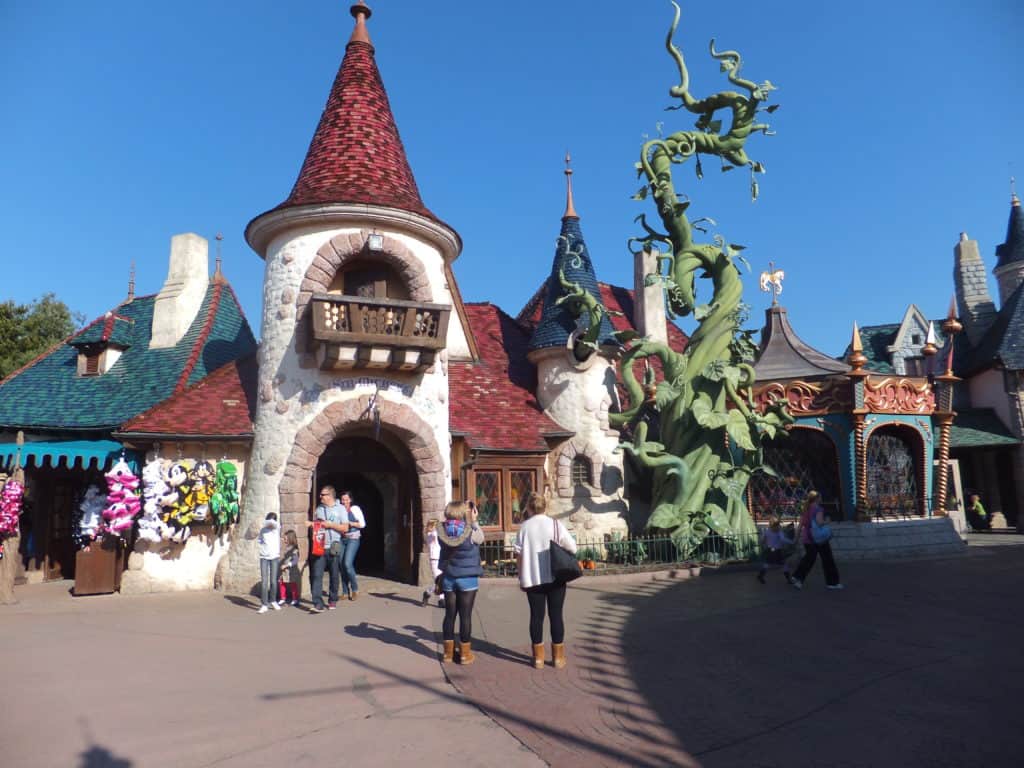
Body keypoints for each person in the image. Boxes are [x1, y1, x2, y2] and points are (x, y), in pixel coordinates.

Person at [514, 493, 577, 669]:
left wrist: (520, 576)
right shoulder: (555, 524)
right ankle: (558, 658)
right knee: (556, 615)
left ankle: (538, 659)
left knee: (536, 617)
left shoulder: (524, 528)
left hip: (533, 578)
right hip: (555, 576)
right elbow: (573, 547)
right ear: (545, 506)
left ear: (529, 507)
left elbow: (518, 554)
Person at [435, 500, 484, 665]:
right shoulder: (471, 530)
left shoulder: (442, 531)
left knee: (449, 616)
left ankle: (448, 654)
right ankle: (464, 654)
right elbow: (481, 539)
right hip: (468, 578)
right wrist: (474, 520)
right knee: (465, 616)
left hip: (449, 577)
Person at [791, 490, 844, 591]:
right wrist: (827, 521)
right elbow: (819, 523)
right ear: (817, 498)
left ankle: (798, 577)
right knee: (828, 560)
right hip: (819, 538)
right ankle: (832, 582)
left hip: (807, 538)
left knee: (809, 559)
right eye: (820, 497)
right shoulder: (818, 509)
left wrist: (796, 538)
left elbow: (800, 525)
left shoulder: (805, 509)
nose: (821, 499)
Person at [306, 485, 348, 612]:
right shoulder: (319, 509)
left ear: (330, 496)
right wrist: (311, 525)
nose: (320, 497)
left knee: (334, 575)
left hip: (334, 546)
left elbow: (345, 528)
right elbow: (317, 525)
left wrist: (331, 525)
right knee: (317, 575)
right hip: (320, 546)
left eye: (323, 495)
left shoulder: (340, 509)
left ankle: (332, 599)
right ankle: (317, 603)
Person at [338, 492, 366, 601]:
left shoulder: (355, 509)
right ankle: (345, 592)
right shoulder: (339, 510)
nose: (344, 502)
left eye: (346, 499)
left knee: (347, 563)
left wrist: (351, 523)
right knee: (341, 564)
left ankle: (355, 589)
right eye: (342, 500)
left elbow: (362, 524)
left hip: (353, 538)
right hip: (342, 539)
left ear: (350, 500)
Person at [757, 515, 794, 585]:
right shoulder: (779, 532)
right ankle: (788, 579)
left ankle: (760, 575)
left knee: (767, 563)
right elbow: (783, 539)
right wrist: (791, 542)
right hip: (777, 551)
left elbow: (762, 540)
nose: (779, 526)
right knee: (783, 564)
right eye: (778, 525)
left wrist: (763, 545)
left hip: (770, 550)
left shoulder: (767, 531)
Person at [257, 512, 281, 613]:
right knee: (264, 582)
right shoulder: (263, 530)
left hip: (274, 557)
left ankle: (273, 600)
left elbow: (275, 524)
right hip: (264, 557)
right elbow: (260, 541)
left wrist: (272, 521)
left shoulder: (276, 529)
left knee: (273, 581)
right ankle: (264, 604)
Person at [421, 516, 444, 608]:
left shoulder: (434, 534)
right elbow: (435, 534)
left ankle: (440, 599)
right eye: (436, 525)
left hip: (441, 558)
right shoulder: (431, 534)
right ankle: (428, 593)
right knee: (439, 581)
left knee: (442, 580)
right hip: (434, 559)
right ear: (433, 526)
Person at [278, 529, 301, 606]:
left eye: (285, 539)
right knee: (281, 583)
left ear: (290, 539)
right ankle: (282, 598)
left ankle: (295, 599)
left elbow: (295, 560)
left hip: (291, 570)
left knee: (293, 584)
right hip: (285, 570)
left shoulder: (295, 549)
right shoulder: (287, 548)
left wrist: (286, 565)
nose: (284, 540)